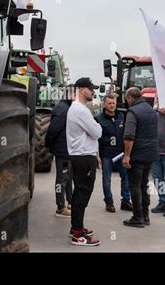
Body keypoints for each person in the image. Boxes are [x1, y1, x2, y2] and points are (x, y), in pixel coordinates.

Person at [66, 77, 102, 246]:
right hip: (82, 157)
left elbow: (92, 131)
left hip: (81, 156)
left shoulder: (78, 109)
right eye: (90, 88)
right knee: (82, 192)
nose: (93, 92)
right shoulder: (80, 110)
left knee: (79, 192)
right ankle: (78, 234)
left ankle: (76, 228)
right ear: (81, 89)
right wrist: (96, 127)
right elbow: (97, 133)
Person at [122, 87, 158, 228]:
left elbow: (129, 136)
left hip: (137, 155)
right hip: (150, 154)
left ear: (130, 98)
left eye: (127, 99)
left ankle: (138, 217)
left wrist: (127, 156)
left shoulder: (133, 112)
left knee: (135, 186)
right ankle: (145, 216)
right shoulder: (151, 111)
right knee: (144, 185)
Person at [95, 94, 133, 213]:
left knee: (125, 177)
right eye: (109, 103)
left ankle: (126, 201)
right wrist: (97, 156)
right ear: (104, 104)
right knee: (107, 179)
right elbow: (95, 139)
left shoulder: (122, 116)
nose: (112, 105)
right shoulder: (98, 119)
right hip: (106, 154)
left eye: (113, 103)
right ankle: (109, 202)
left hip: (121, 153)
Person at [45, 84, 75, 218]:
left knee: (68, 178)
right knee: (62, 179)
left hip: (68, 151)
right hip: (63, 151)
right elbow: (53, 130)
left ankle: (69, 203)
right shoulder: (63, 109)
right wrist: (48, 144)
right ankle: (60, 207)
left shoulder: (68, 107)